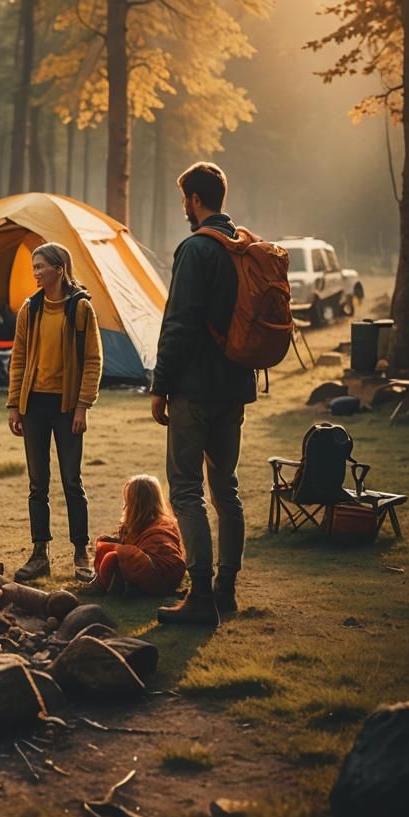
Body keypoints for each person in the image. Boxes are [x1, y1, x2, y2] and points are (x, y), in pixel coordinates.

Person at [150, 162, 257, 625]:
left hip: (195, 389)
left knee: (187, 491)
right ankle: (225, 590)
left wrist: (161, 386)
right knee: (226, 489)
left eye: (184, 199)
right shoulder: (243, 247)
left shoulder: (195, 249)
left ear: (195, 199)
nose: (184, 208)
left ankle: (199, 597)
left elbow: (179, 324)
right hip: (235, 388)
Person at [7, 242, 103, 582]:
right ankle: (40, 553)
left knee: (72, 481)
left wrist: (82, 406)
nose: (35, 272)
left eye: (40, 267)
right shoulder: (29, 309)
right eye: (34, 267)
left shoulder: (81, 308)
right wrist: (14, 405)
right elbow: (18, 358)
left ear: (59, 269)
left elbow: (93, 360)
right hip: (34, 405)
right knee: (38, 484)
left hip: (66, 407)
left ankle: (81, 551)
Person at [80, 474, 186, 597]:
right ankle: (119, 583)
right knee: (105, 544)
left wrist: (120, 551)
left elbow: (156, 557)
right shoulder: (141, 522)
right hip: (156, 573)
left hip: (160, 576)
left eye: (128, 500)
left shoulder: (160, 527)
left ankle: (105, 586)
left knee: (112, 557)